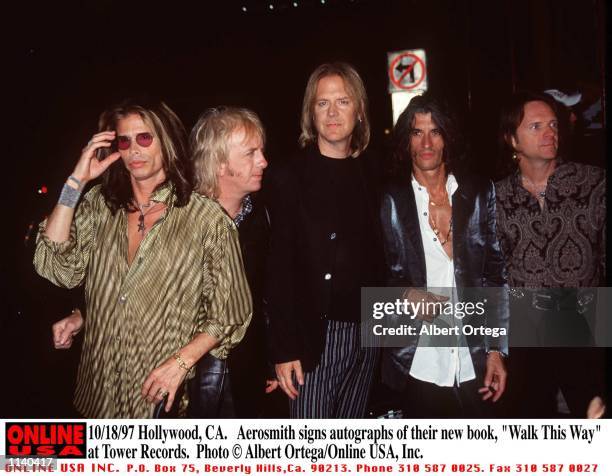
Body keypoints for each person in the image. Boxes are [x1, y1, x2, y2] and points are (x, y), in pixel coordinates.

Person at [37, 99, 252, 418]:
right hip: (97, 396)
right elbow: (57, 267)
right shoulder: (100, 206)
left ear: (166, 140)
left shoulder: (206, 220)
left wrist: (179, 364)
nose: (133, 149)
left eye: (145, 138)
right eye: (124, 141)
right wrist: (76, 182)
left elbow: (230, 314)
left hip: (156, 403)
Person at [379, 93, 508, 418]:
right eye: (416, 132)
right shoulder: (390, 200)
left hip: (473, 357)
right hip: (417, 360)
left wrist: (495, 350)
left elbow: (494, 276)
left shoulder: (479, 192)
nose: (426, 142)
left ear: (448, 138)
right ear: (405, 141)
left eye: (435, 131)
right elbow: (373, 272)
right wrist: (405, 293)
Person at [266, 62, 384, 418]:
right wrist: (283, 348)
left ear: (359, 111)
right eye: (322, 103)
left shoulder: (375, 172)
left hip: (368, 333)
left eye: (343, 101)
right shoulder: (288, 176)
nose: (332, 112)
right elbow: (277, 269)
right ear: (310, 113)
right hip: (314, 339)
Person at [496, 90, 606, 418]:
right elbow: (491, 273)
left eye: (553, 124)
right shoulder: (496, 198)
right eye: (536, 126)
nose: (550, 133)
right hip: (525, 337)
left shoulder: (595, 184)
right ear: (512, 140)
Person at [189, 106, 276, 417]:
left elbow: (266, 296)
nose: (263, 161)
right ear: (220, 163)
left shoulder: (262, 216)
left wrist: (271, 358)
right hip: (191, 378)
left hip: (249, 376)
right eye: (250, 153)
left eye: (261, 151)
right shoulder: (181, 220)